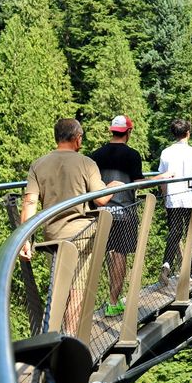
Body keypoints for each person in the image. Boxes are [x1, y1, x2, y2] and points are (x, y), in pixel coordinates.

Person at [20, 118, 121, 334]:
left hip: (51, 236)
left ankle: (56, 336)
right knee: (77, 288)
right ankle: (71, 339)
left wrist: (25, 238)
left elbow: (29, 202)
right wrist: (113, 186)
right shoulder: (86, 163)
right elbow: (101, 200)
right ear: (77, 138)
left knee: (59, 287)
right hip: (81, 236)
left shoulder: (38, 164)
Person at [89, 115, 145, 317]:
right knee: (119, 255)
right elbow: (138, 182)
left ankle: (92, 304)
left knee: (101, 255)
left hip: (100, 212)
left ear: (111, 131)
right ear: (128, 132)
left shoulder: (95, 155)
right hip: (125, 212)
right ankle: (113, 302)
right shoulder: (132, 155)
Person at [158, 119, 192, 284]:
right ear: (188, 133)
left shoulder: (166, 152)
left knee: (174, 233)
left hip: (173, 197)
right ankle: (191, 270)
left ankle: (166, 264)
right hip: (191, 197)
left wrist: (165, 198)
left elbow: (163, 180)